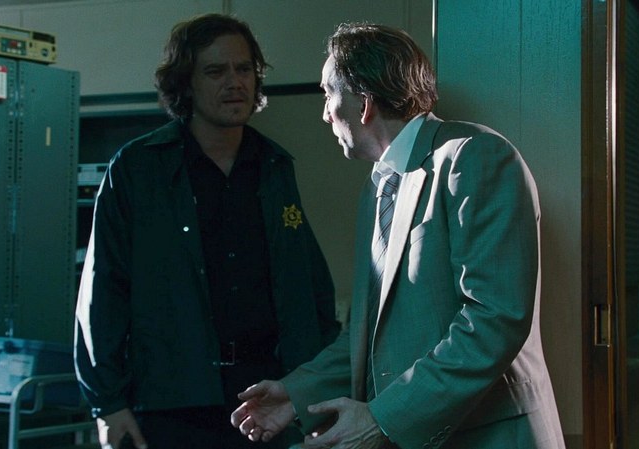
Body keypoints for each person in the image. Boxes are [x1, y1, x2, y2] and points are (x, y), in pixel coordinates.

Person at [232, 22, 565, 449]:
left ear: (364, 103)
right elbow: (367, 334)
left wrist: (382, 418)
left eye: (328, 94)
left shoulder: (474, 156)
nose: (325, 113)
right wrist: (296, 394)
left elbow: (493, 320)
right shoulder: (378, 187)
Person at [74, 13, 340, 449]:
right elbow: (103, 291)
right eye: (216, 71)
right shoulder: (139, 168)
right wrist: (108, 403)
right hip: (170, 403)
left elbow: (309, 286)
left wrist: (314, 387)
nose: (234, 82)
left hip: (264, 399)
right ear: (186, 84)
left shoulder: (273, 166)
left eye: (243, 69)